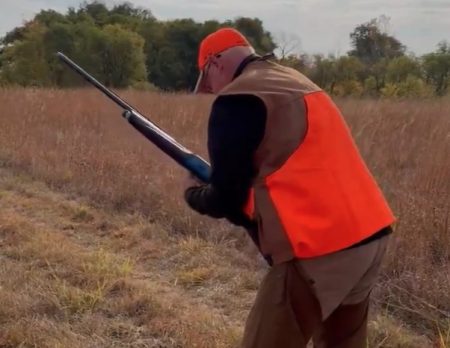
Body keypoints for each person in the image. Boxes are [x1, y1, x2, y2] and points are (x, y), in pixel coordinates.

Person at [183, 27, 395, 348]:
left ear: (215, 63)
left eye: (207, 80)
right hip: (370, 236)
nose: (210, 90)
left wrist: (194, 194)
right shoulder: (296, 81)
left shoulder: (238, 98)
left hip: (318, 247)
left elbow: (228, 197)